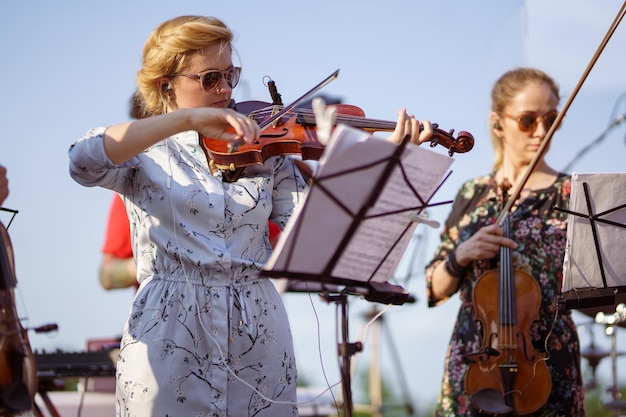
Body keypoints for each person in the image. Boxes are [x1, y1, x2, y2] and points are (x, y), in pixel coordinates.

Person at [68, 15, 431, 416]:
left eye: (230, 75)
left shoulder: (263, 151)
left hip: (257, 329)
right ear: (166, 86)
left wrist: (386, 163)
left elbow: (321, 232)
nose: (225, 90)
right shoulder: (143, 153)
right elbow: (82, 161)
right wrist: (187, 120)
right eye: (209, 79)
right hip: (171, 329)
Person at [424, 67, 585, 416]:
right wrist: (461, 255)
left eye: (551, 119)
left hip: (548, 364)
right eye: (528, 120)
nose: (542, 131)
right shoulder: (473, 193)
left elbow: (596, 297)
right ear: (498, 123)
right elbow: (434, 289)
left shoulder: (574, 196)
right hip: (477, 364)